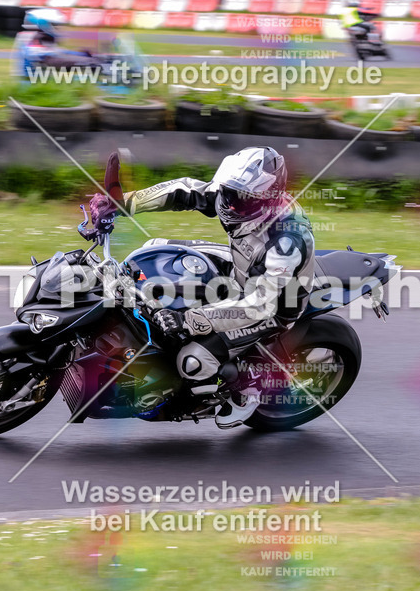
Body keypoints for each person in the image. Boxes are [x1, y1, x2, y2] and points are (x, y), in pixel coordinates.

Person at [91, 147, 316, 429]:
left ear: (266, 199)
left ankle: (247, 391)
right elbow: (182, 190)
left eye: (241, 198)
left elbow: (260, 305)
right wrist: (123, 204)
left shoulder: (286, 241)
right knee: (154, 250)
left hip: (273, 306)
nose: (230, 204)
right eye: (229, 192)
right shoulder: (233, 197)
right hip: (240, 268)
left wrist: (188, 320)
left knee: (194, 360)